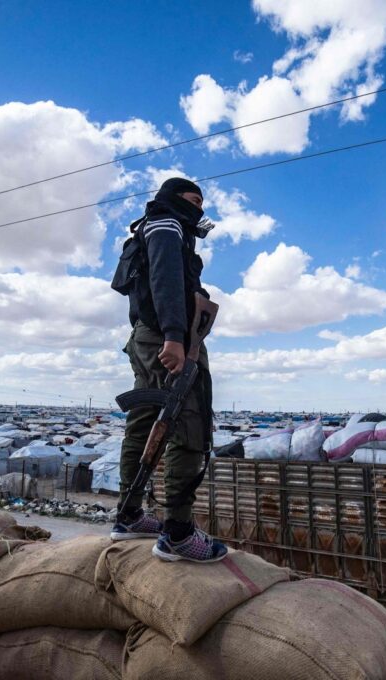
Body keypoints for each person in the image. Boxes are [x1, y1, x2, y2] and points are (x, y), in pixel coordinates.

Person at [109, 177, 228, 563]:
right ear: (175, 199)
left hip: (150, 336)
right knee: (187, 423)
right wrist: (176, 337)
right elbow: (165, 278)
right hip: (167, 337)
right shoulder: (167, 223)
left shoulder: (156, 225)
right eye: (194, 200)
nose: (200, 209)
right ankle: (177, 533)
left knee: (144, 422)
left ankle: (128, 516)